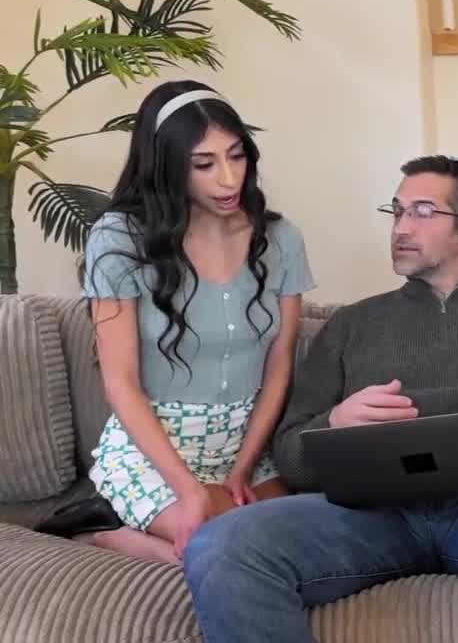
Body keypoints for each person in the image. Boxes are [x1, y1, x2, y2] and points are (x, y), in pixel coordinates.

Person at [179, 155, 458, 643]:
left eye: (422, 212)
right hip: (369, 521)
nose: (400, 228)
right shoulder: (351, 324)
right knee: (221, 545)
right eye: (396, 211)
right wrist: (334, 423)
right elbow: (290, 455)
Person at [37, 80, 314, 565]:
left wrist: (244, 466)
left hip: (244, 446)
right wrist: (189, 491)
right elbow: (120, 383)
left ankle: (140, 536)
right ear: (165, 165)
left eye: (237, 156)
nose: (228, 179)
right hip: (155, 454)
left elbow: (279, 365)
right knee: (239, 553)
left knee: (300, 546)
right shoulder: (118, 239)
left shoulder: (280, 237)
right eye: (204, 164)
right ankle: (111, 537)